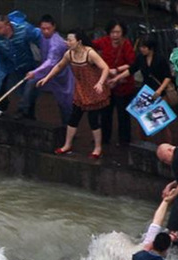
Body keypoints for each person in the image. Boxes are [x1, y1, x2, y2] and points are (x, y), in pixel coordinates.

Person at [37, 28, 110, 158]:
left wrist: (100, 83)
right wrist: (46, 78)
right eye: (67, 40)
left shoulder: (90, 53)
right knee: (73, 118)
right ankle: (67, 144)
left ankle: (97, 148)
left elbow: (105, 68)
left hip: (93, 90)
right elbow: (59, 66)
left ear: (79, 42)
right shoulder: (69, 54)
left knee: (93, 120)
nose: (67, 42)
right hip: (80, 90)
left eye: (70, 40)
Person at [110, 35, 173, 143]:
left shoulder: (160, 59)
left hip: (158, 92)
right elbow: (131, 69)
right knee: (141, 119)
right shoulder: (140, 58)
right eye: (141, 47)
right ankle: (143, 142)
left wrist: (160, 90)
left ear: (151, 48)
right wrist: (117, 78)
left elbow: (167, 76)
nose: (141, 49)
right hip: (146, 91)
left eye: (144, 47)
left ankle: (167, 145)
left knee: (162, 122)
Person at [24, 14, 74, 125]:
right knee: (31, 84)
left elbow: (51, 61)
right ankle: (26, 111)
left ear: (54, 27)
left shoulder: (57, 43)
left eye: (48, 29)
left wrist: (35, 72)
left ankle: (67, 128)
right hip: (45, 71)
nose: (46, 31)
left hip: (60, 75)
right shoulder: (39, 34)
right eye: (43, 29)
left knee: (65, 103)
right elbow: (28, 28)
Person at [93, 20, 136, 146]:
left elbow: (132, 64)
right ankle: (105, 138)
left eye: (118, 32)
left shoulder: (126, 44)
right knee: (105, 112)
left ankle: (124, 140)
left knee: (123, 114)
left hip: (123, 84)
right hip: (108, 84)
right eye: (113, 32)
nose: (115, 35)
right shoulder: (104, 41)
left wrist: (116, 70)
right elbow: (91, 45)